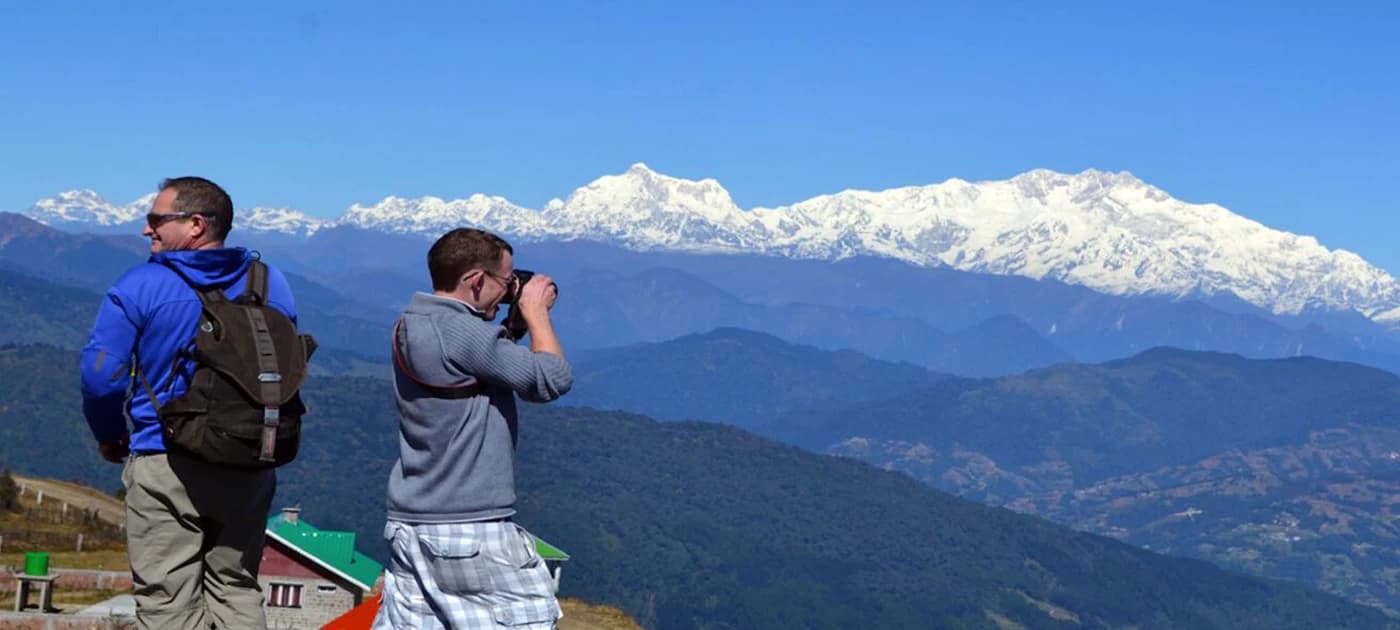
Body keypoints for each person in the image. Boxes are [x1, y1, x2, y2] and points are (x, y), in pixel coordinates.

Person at [79, 176, 297, 629]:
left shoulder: (142, 284)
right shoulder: (270, 282)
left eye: (156, 219)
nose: (147, 229)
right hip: (249, 457)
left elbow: (101, 376)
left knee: (167, 602)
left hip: (166, 458)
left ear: (196, 224)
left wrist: (110, 435)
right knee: (237, 589)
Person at [373, 227, 573, 630]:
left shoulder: (413, 323)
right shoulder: (462, 331)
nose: (510, 290)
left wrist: (510, 327)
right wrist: (536, 313)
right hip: (469, 529)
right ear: (476, 280)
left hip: (412, 524)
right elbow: (550, 379)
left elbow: (480, 362)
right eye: (505, 281)